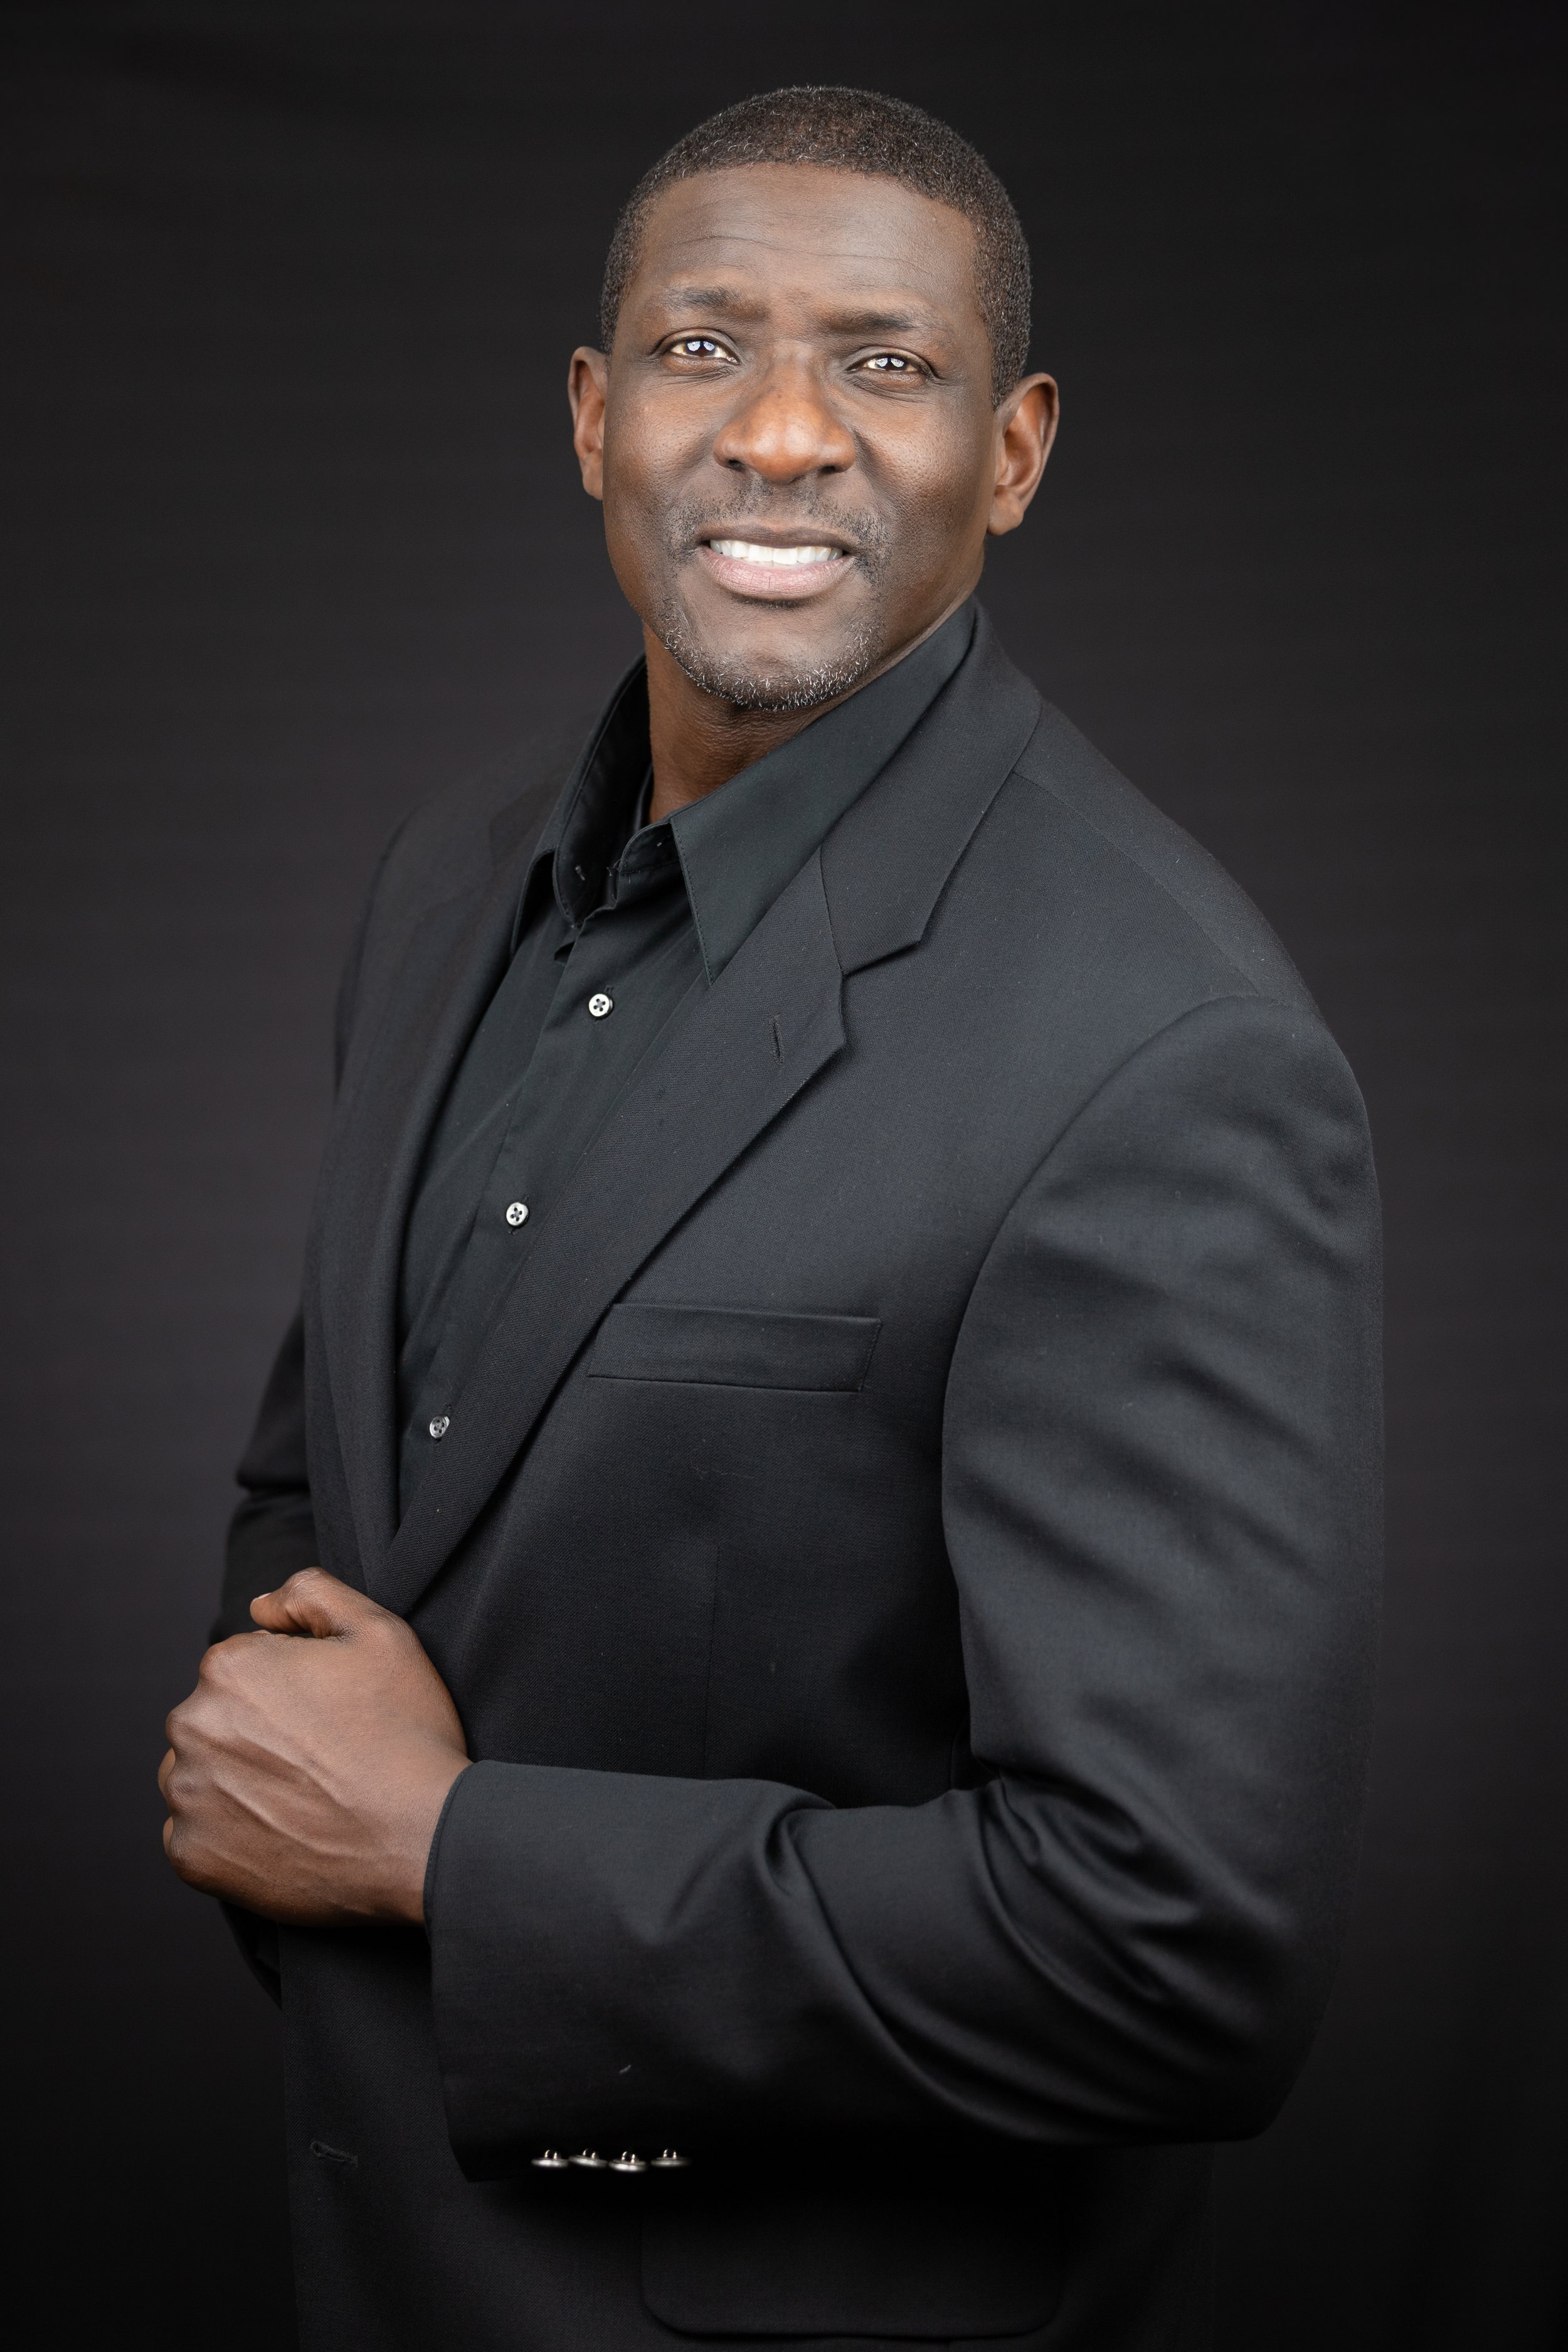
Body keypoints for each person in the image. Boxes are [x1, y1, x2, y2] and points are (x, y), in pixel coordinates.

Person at [159, 85, 1381, 2352]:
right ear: (593, 414)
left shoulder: (1165, 1056)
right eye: (705, 347)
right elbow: (323, 1489)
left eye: (887, 366)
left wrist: (441, 1860)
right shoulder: (447, 881)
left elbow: (1175, 1960)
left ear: (1008, 453)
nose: (789, 434)